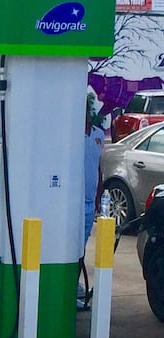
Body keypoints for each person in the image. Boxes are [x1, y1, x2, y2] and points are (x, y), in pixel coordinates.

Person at [78, 97, 105, 310]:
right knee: (72, 245)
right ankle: (69, 286)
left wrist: (98, 197)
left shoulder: (98, 134)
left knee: (82, 245)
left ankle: (73, 283)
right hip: (73, 202)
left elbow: (98, 167)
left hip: (89, 202)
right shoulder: (70, 134)